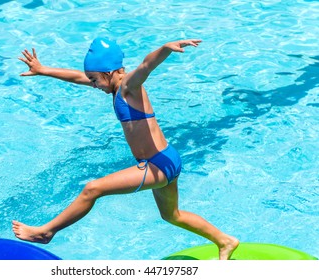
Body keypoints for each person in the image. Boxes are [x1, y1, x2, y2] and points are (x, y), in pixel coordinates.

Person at [12, 37, 239, 260]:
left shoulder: (128, 87)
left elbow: (145, 66)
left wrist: (165, 49)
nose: (92, 84)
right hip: (168, 159)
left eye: (94, 80)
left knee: (93, 189)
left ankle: (46, 232)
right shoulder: (112, 85)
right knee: (172, 216)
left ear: (108, 73)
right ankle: (225, 241)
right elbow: (76, 76)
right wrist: (42, 70)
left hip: (156, 165)